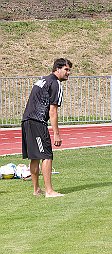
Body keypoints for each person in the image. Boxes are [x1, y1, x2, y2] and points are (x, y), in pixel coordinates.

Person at [22, 58, 72, 197]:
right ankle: (49, 191)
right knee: (46, 155)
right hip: (37, 121)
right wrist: (56, 133)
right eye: (66, 69)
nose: (68, 73)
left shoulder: (43, 80)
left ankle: (36, 190)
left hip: (27, 120)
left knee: (34, 157)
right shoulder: (55, 83)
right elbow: (53, 111)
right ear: (57, 69)